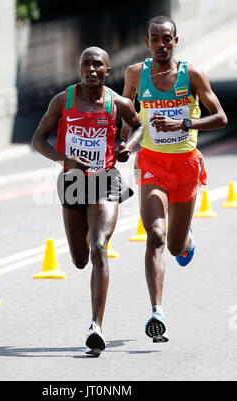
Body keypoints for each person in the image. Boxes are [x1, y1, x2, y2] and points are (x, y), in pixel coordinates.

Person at [32, 46, 144, 356]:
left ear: (108, 71)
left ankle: (96, 326)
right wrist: (64, 158)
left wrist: (128, 148)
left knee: (99, 247)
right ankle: (85, 237)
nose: (91, 69)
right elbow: (38, 139)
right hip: (72, 183)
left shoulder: (117, 103)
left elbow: (138, 126)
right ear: (79, 68)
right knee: (80, 259)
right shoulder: (62, 101)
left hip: (105, 180)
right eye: (86, 64)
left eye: (98, 65)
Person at [122, 16, 228, 342]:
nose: (161, 45)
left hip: (186, 165)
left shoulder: (191, 75)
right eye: (155, 39)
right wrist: (123, 143)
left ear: (176, 40)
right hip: (152, 163)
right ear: (147, 43)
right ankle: (157, 311)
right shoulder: (136, 75)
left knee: (175, 245)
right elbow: (126, 112)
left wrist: (186, 126)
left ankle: (187, 240)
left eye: (167, 39)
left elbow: (221, 117)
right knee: (154, 234)